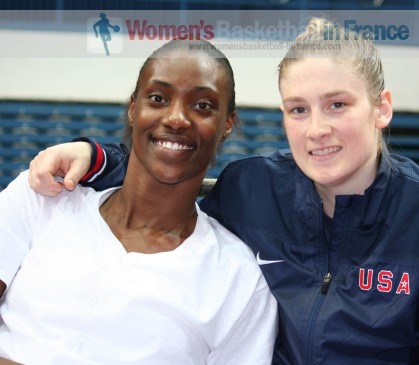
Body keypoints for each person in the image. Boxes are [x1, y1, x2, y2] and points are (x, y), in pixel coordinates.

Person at [28, 18, 419, 364]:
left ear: (382, 108)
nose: (317, 129)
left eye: (337, 105)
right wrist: (97, 156)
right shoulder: (251, 190)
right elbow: (164, 174)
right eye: (298, 109)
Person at [0, 39, 278, 364]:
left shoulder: (239, 281)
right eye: (158, 98)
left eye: (202, 105)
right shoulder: (41, 197)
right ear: (134, 109)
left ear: (227, 124)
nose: (176, 119)